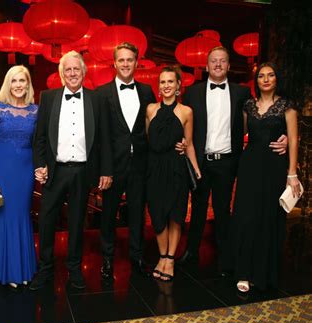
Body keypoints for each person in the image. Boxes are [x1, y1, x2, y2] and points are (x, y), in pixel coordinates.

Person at [179, 46, 287, 273]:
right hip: (200, 160)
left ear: (229, 66)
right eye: (213, 61)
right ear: (206, 66)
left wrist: (284, 136)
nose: (218, 65)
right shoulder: (193, 93)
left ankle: (224, 256)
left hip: (227, 161)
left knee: (222, 209)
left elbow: (262, 122)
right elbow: (183, 123)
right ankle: (191, 251)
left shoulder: (242, 94)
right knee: (198, 208)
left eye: (222, 61)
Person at [30, 51, 113, 290]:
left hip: (82, 171)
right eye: (68, 69)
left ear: (84, 72)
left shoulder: (96, 99)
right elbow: (40, 138)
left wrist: (106, 170)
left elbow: (104, 139)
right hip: (55, 171)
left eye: (77, 69)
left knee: (77, 222)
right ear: (61, 74)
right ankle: (45, 270)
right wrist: (40, 164)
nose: (73, 73)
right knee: (46, 221)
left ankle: (74, 270)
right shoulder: (48, 97)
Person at [233, 62, 300, 293]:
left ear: (276, 79)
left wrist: (292, 173)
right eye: (261, 76)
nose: (266, 79)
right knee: (247, 217)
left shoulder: (287, 106)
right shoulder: (248, 105)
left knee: (269, 218)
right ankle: (244, 272)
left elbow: (294, 138)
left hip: (274, 166)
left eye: (271, 75)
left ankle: (263, 274)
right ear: (256, 80)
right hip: (249, 165)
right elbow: (239, 134)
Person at [96, 42, 155, 279]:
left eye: (129, 60)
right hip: (113, 165)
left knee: (138, 212)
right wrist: (104, 169)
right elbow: (100, 136)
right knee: (108, 213)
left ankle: (137, 255)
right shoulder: (102, 93)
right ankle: (107, 259)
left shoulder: (148, 91)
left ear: (136, 62)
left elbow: (153, 127)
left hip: (140, 163)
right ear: (114, 63)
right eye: (121, 60)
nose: (125, 64)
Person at [0, 65, 38, 289]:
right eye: (14, 81)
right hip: (3, 169)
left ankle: (24, 269)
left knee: (22, 215)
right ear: (9, 84)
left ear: (28, 84)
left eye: (22, 81)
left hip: (25, 171)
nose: (18, 85)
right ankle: (8, 272)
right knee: (5, 217)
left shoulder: (36, 111)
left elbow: (39, 144)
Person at [146, 66, 201, 281]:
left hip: (176, 169)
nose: (166, 86)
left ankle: (169, 259)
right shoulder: (150, 109)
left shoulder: (187, 112)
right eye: (162, 82)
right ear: (158, 87)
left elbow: (189, 144)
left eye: (170, 81)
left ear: (179, 85)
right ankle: (162, 255)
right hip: (154, 168)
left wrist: (196, 170)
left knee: (176, 215)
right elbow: (148, 142)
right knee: (158, 215)